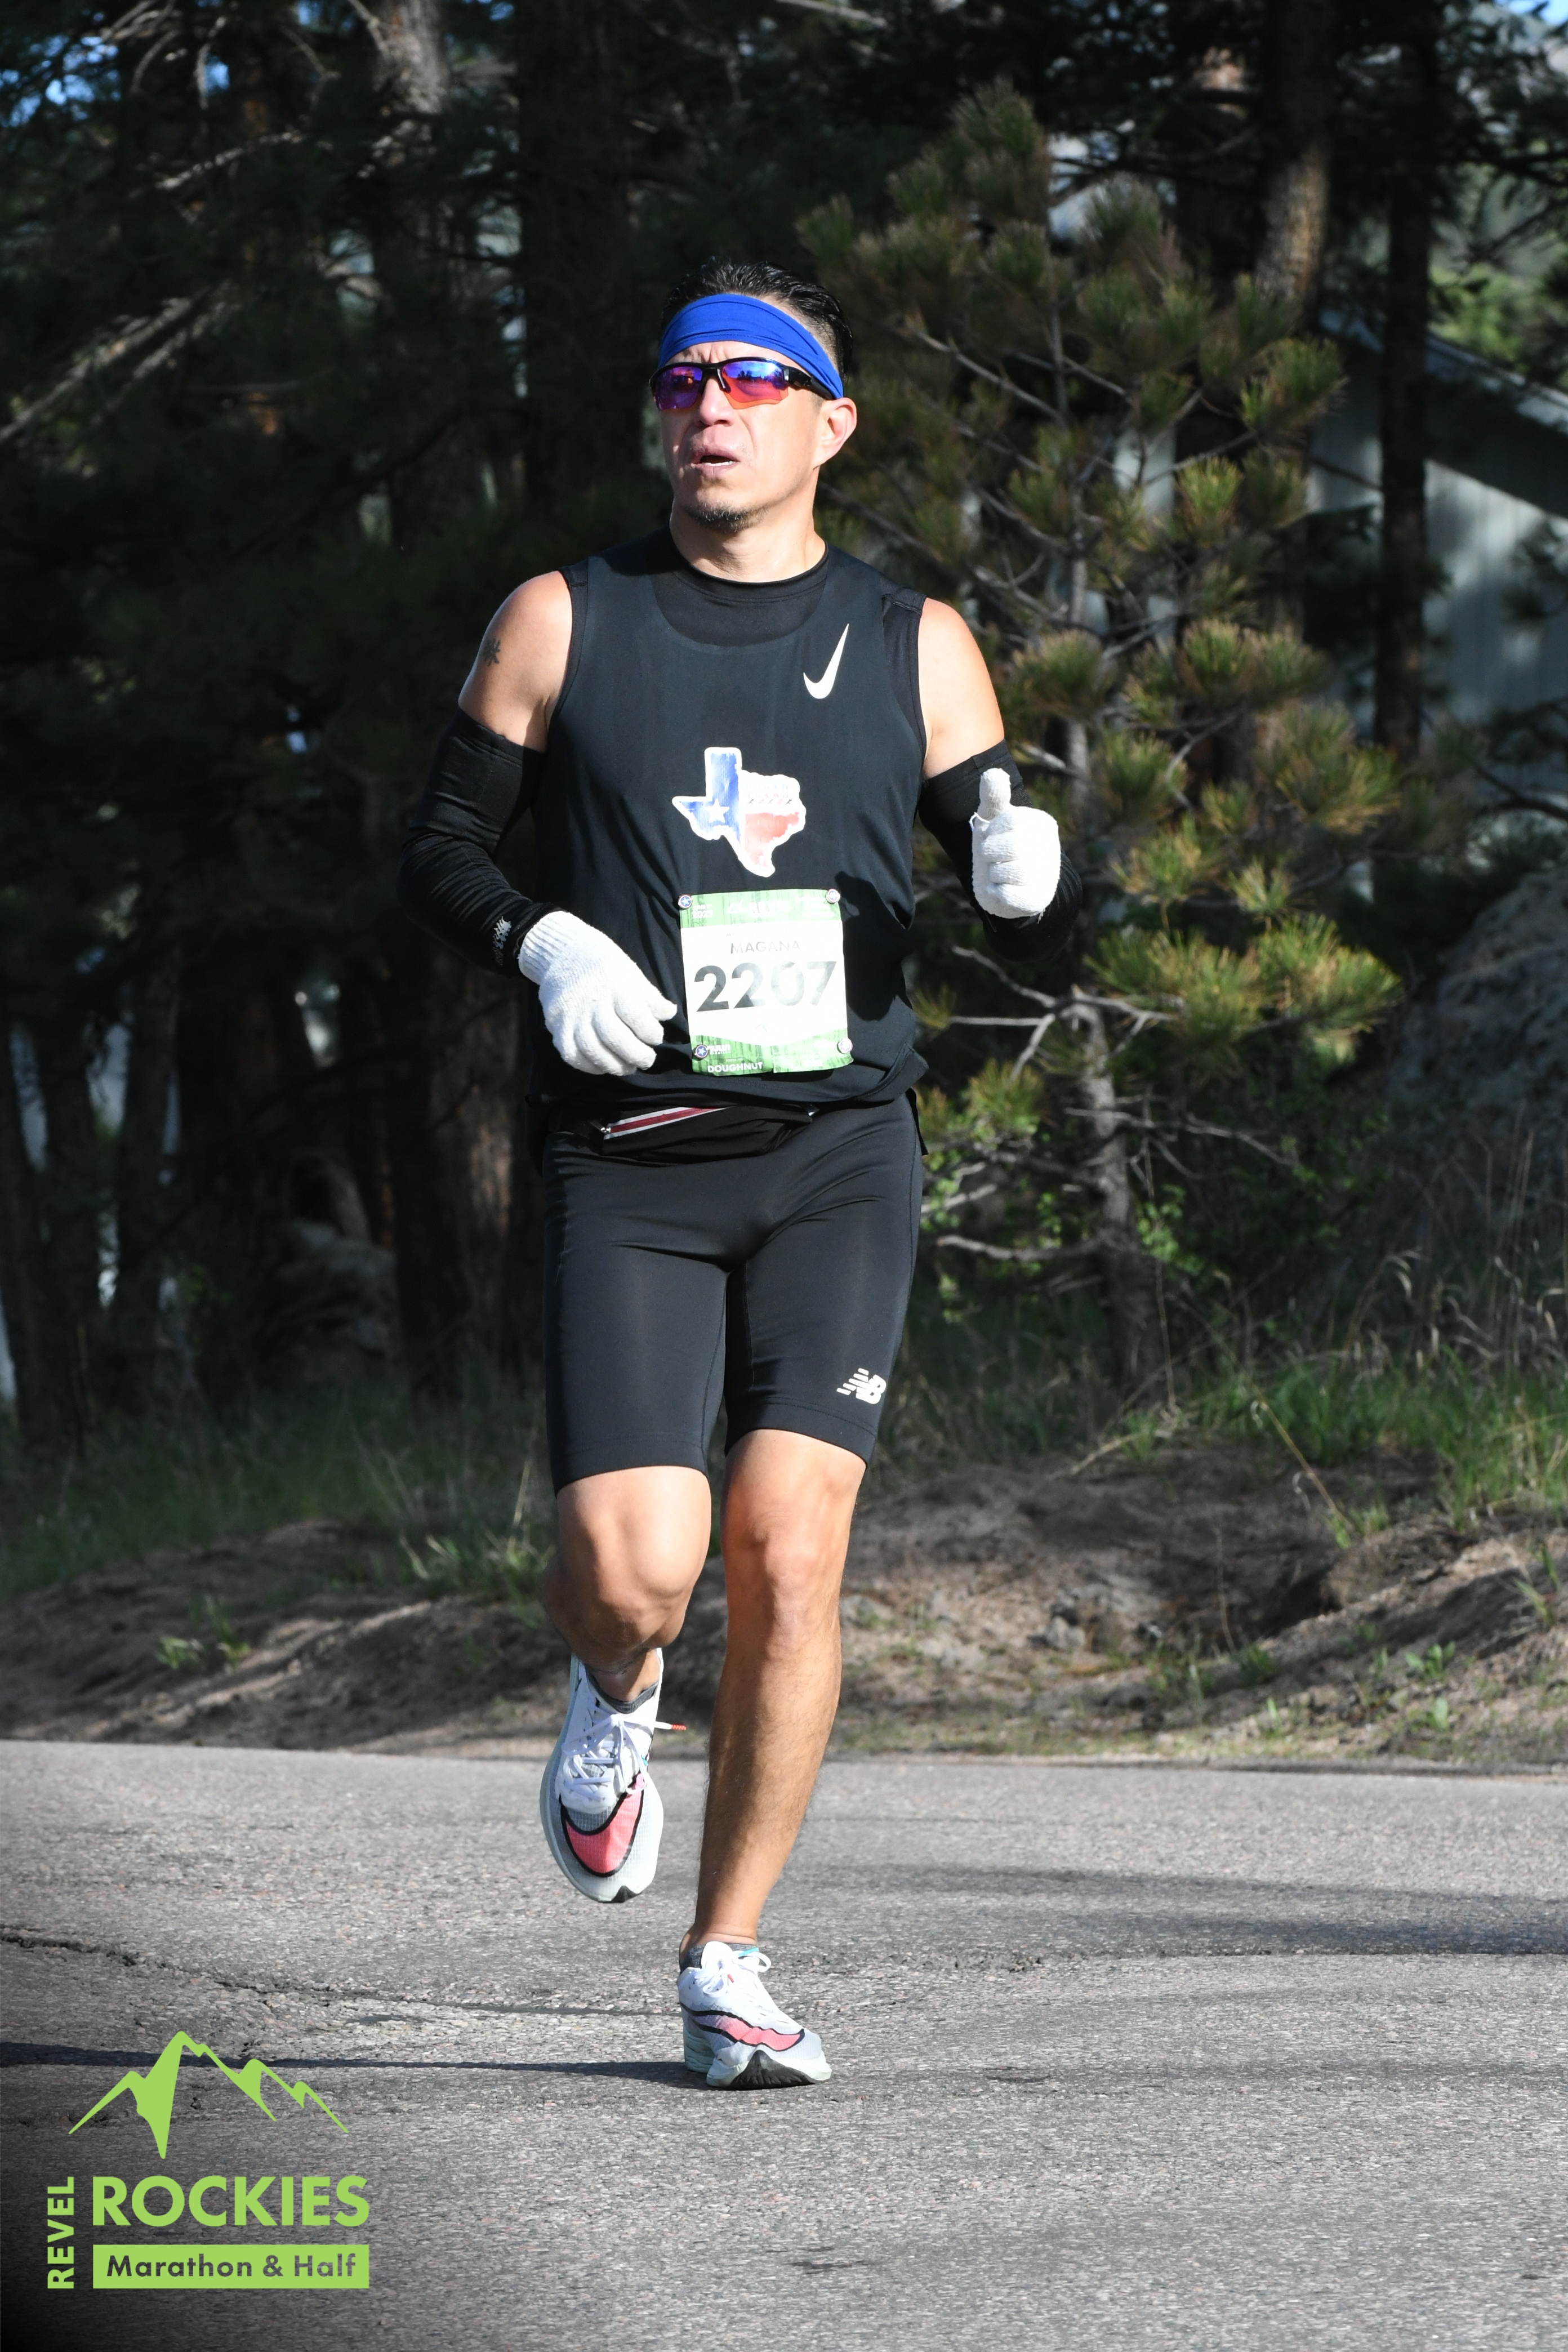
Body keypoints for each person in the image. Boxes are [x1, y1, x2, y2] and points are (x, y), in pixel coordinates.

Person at [398, 258, 1080, 2088]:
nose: (714, 403)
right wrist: (541, 937)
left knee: (789, 1547)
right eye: (686, 375)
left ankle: (728, 1960)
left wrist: (1029, 872)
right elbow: (439, 847)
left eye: (759, 378)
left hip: (841, 1150)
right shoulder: (563, 617)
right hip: (634, 1158)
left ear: (831, 423)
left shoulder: (918, 639)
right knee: (638, 1569)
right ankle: (616, 1689)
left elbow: (1010, 865)